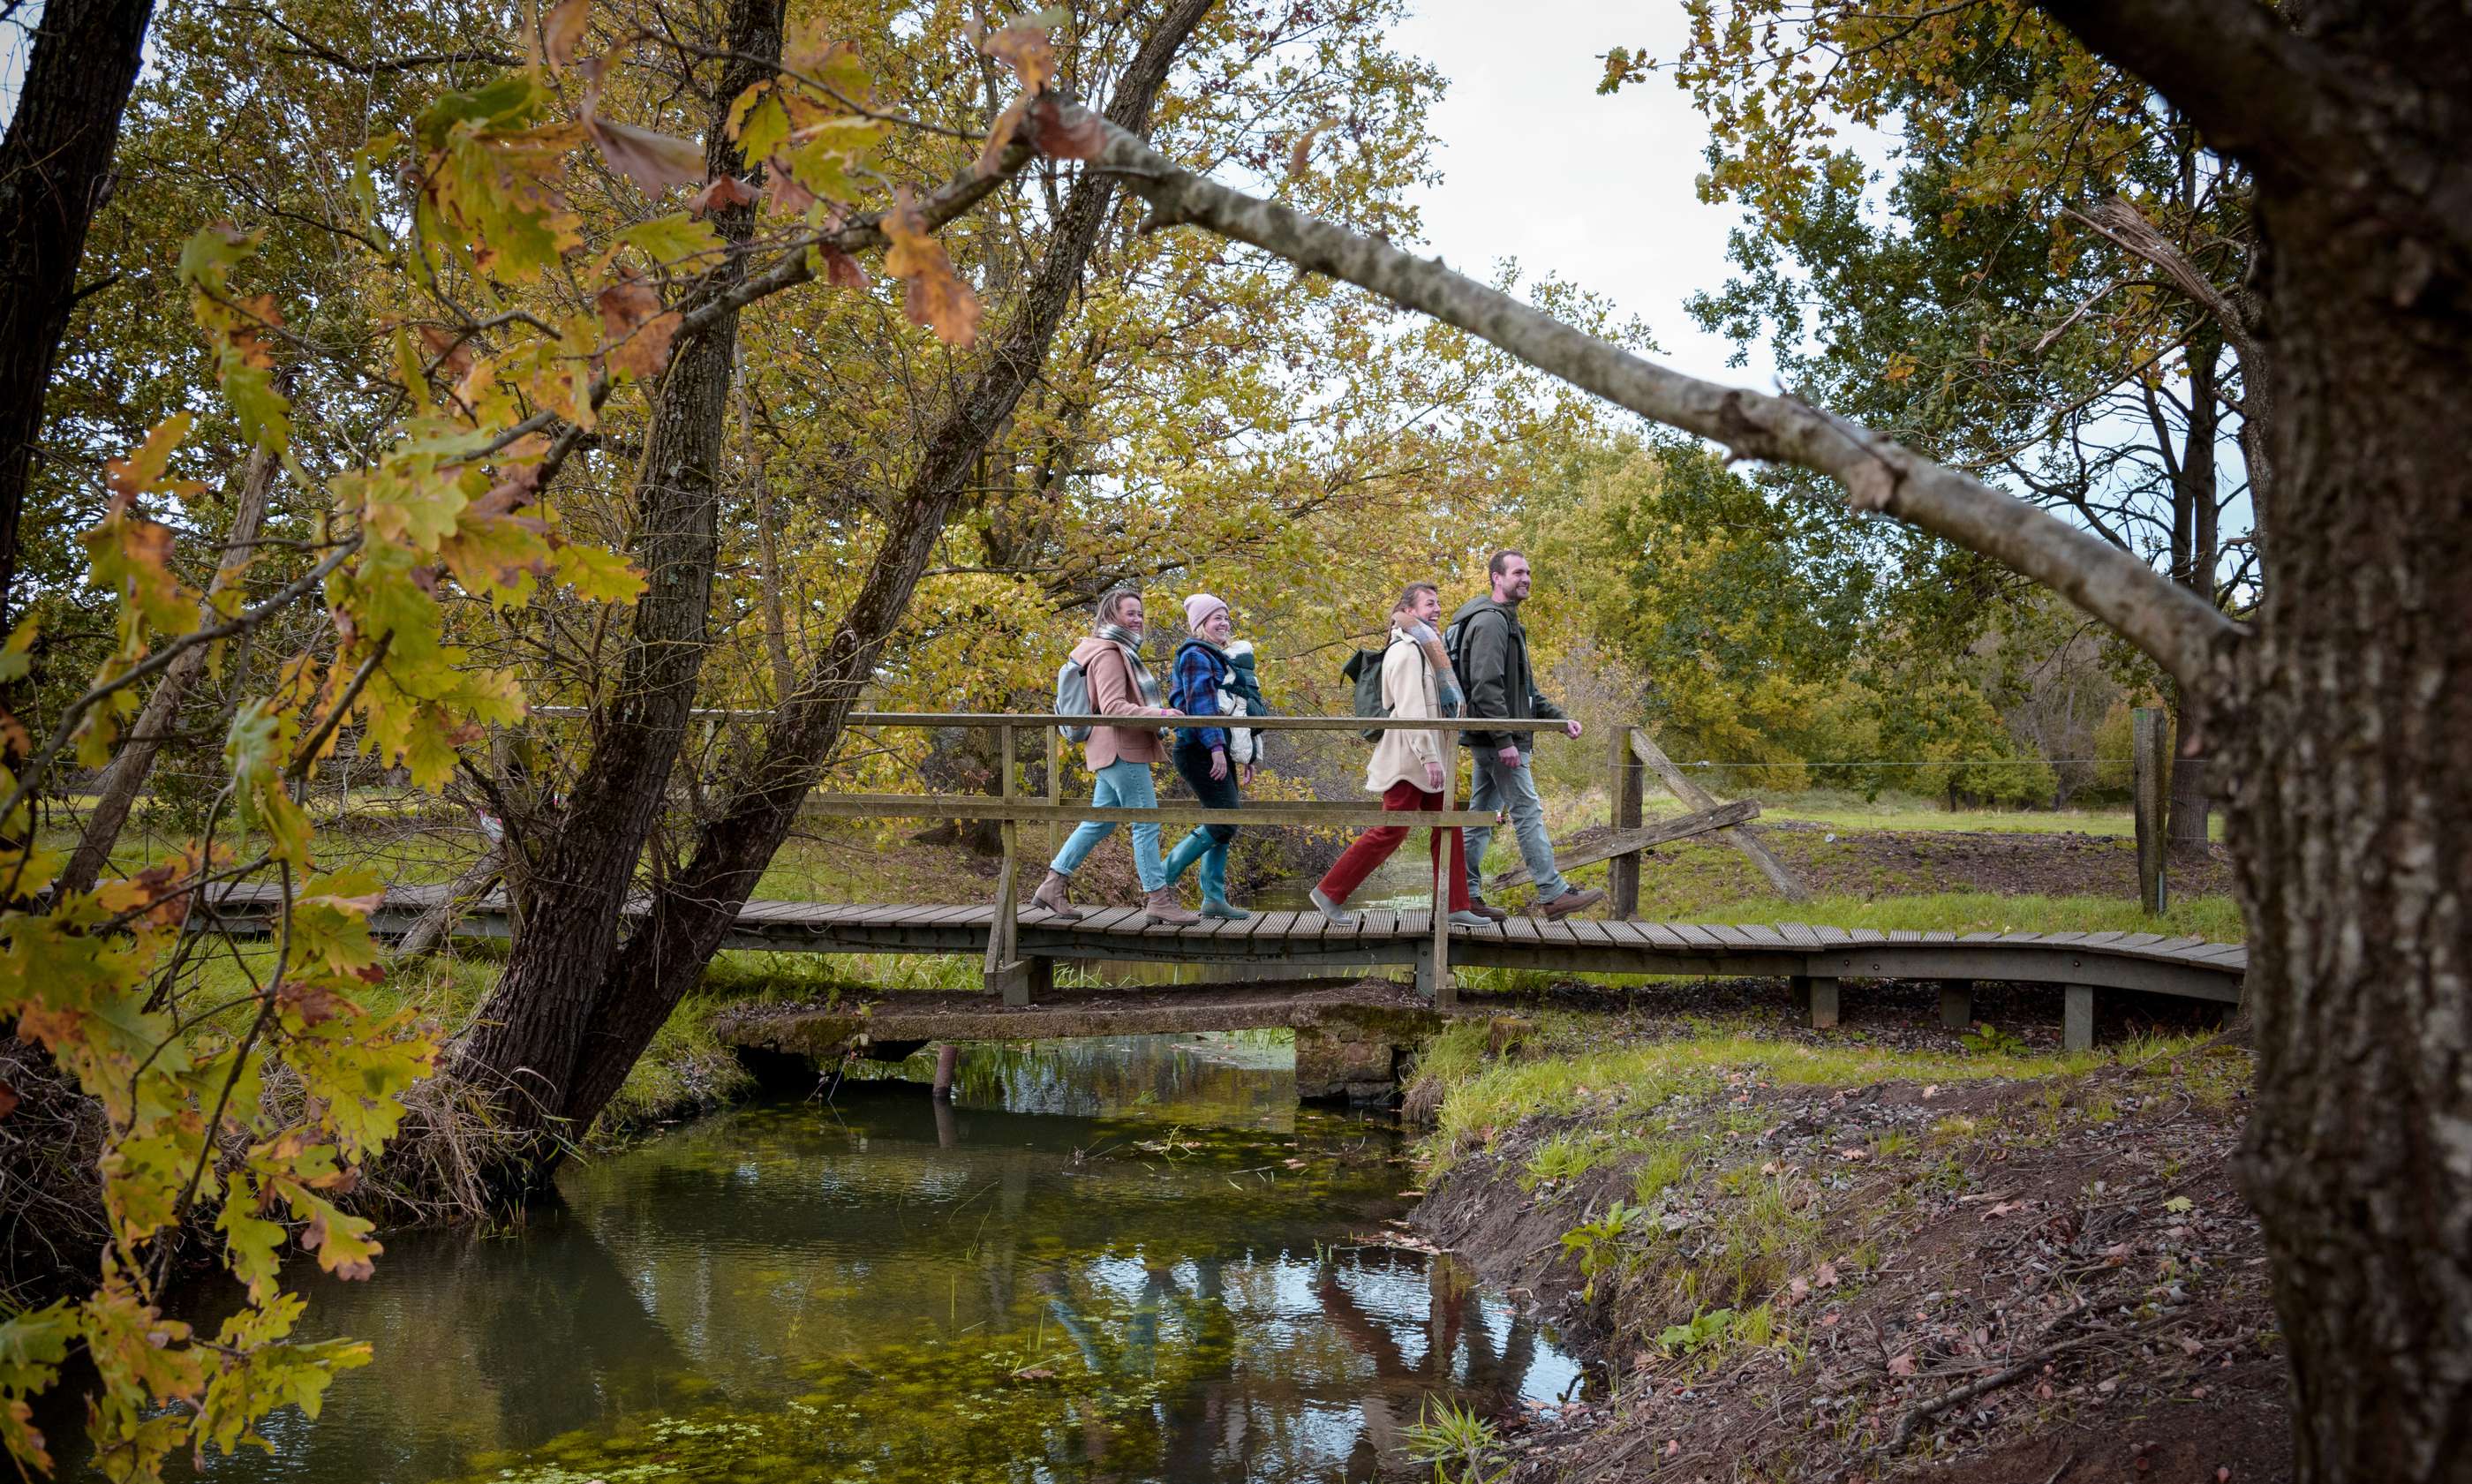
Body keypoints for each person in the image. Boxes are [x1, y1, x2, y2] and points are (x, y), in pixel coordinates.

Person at [1308, 582, 1493, 929]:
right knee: (1390, 830)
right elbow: (1410, 710)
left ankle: (1455, 906)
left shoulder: (1425, 647)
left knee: (1449, 827)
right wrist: (1429, 757)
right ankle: (1329, 892)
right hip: (1409, 759)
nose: (1436, 609)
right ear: (1408, 611)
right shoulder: (1407, 651)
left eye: (1438, 603)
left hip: (1425, 754)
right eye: (1429, 604)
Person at [1447, 549, 1603, 920]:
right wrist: (1505, 741)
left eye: (1529, 572)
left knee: (1481, 816)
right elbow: (1485, 688)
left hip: (1495, 738)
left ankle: (1465, 897)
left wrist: (1559, 719)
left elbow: (1525, 691)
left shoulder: (1507, 621)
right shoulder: (1490, 622)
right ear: (1496, 578)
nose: (1526, 578)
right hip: (1498, 740)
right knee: (1527, 811)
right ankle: (1552, 893)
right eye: (1518, 572)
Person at [1031, 588, 1198, 925]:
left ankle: (1053, 884)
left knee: (1099, 821)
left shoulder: (1114, 650)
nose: (1137, 620)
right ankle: (1158, 899)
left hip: (1111, 748)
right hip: (1122, 748)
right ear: (1111, 616)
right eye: (1130, 613)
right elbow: (1112, 708)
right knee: (1146, 823)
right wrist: (1161, 715)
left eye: (1140, 614)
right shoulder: (1109, 653)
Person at [1157, 593, 1255, 921]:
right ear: (1201, 624)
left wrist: (1245, 755)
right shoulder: (1196, 655)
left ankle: (1213, 899)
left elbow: (1237, 707)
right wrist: (1215, 749)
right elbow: (1201, 707)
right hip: (1198, 750)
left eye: (1226, 617)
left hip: (1217, 750)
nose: (1224, 623)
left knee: (1225, 823)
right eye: (1217, 618)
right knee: (1225, 819)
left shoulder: (1219, 656)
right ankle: (1159, 879)